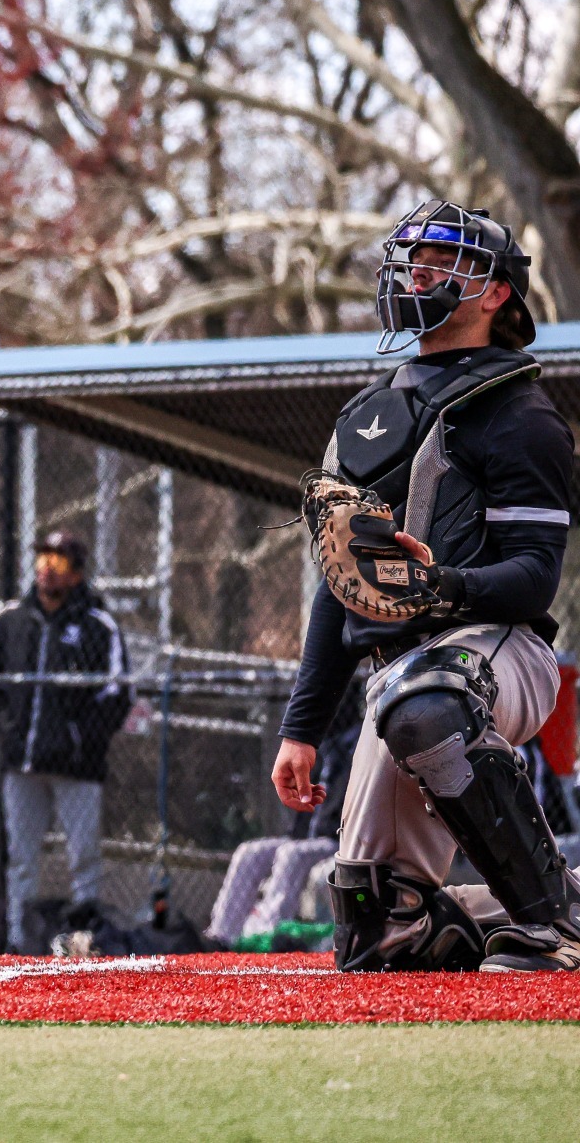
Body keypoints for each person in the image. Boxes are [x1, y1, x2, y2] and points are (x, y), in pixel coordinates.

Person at [270, 198, 580, 974]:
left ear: (497, 292)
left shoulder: (523, 414)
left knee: (427, 694)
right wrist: (301, 726)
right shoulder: (366, 418)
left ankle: (555, 919)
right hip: (400, 683)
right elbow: (341, 585)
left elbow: (535, 578)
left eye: (447, 260)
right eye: (415, 257)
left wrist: (437, 586)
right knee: (381, 935)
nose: (421, 271)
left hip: (499, 654)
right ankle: (545, 894)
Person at [0, 531, 128, 953]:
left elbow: (117, 694)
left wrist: (79, 739)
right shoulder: (10, 621)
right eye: (44, 557)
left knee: (82, 855)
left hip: (76, 767)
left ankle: (83, 938)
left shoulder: (97, 625)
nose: (48, 567)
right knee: (20, 857)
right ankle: (18, 939)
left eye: (60, 561)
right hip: (22, 763)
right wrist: (10, 731)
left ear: (77, 573)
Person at [205, 676, 364, 948]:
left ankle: (265, 937)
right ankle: (221, 938)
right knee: (250, 852)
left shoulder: (359, 743)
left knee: (291, 855)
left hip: (339, 841)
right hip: (306, 838)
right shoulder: (317, 743)